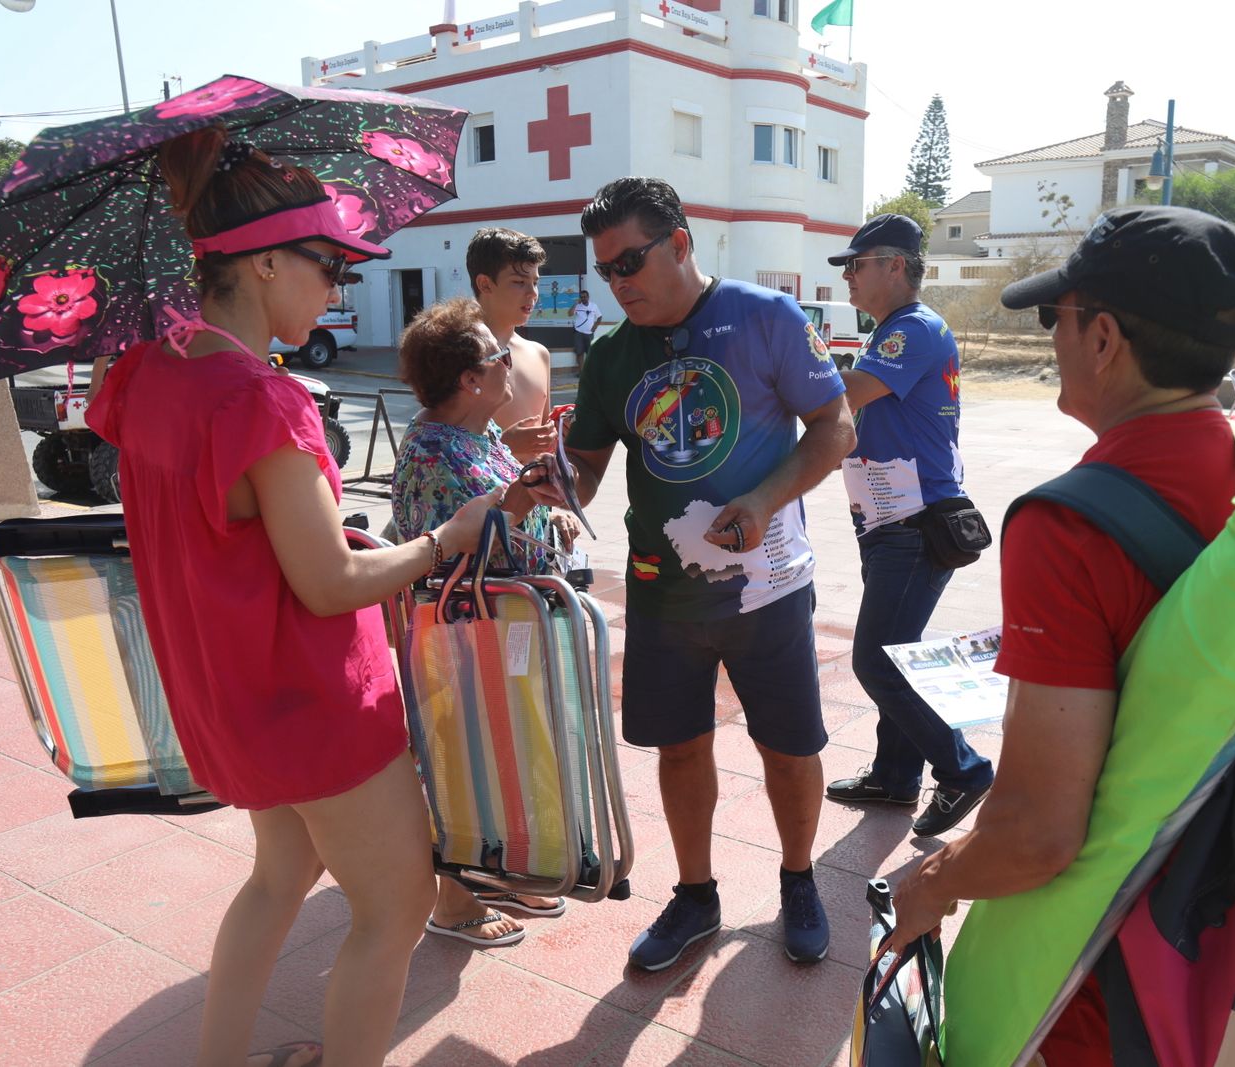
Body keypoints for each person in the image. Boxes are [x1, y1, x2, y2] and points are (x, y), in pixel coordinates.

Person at [85, 127, 496, 1067]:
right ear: (266, 261)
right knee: (395, 907)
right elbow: (328, 584)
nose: (338, 288)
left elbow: (223, 526)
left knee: (278, 877)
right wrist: (443, 540)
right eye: (330, 265)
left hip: (226, 695)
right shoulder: (264, 399)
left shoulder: (148, 373)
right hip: (315, 704)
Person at [889, 205, 1235, 1065]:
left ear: (1102, 338)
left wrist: (932, 884)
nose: (1053, 337)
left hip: (1112, 971)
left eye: (1052, 318)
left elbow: (1039, 832)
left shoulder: (1069, 523)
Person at [536, 177, 856, 971]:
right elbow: (587, 468)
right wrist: (551, 477)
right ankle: (695, 894)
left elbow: (835, 426)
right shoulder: (614, 355)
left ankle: (798, 880)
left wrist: (764, 498)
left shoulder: (766, 317)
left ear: (679, 243)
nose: (618, 283)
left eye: (630, 262)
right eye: (605, 270)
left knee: (789, 747)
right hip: (664, 594)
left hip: (767, 588)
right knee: (680, 750)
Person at [390, 296, 580, 946]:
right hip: (464, 640)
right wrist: (523, 500)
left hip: (506, 631)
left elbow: (504, 508)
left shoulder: (478, 434)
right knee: (465, 760)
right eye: (499, 357)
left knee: (506, 753)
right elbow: (457, 553)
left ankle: (503, 869)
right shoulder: (431, 451)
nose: (510, 363)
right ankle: (455, 901)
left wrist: (549, 513)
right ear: (470, 379)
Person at [821, 213, 995, 837]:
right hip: (890, 519)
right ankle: (895, 777)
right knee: (897, 653)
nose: (848, 277)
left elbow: (846, 393)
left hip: (913, 524)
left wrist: (783, 369)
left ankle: (964, 769)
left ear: (895, 266)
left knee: (878, 662)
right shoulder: (894, 331)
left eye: (857, 265)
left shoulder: (911, 329)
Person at [468, 227, 558, 463]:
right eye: (519, 282)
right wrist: (505, 445)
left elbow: (546, 443)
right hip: (480, 487)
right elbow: (438, 444)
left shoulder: (539, 354)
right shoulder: (459, 353)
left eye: (535, 282)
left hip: (534, 486)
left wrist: (559, 432)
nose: (532, 293)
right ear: (485, 284)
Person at [571, 287, 601, 361]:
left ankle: (589, 368)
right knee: (579, 353)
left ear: (588, 297)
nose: (583, 298)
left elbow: (599, 317)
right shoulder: (577, 306)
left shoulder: (594, 306)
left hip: (589, 334)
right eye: (581, 297)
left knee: (590, 353)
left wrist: (595, 326)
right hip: (579, 333)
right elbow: (570, 314)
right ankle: (581, 369)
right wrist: (575, 304)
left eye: (584, 297)